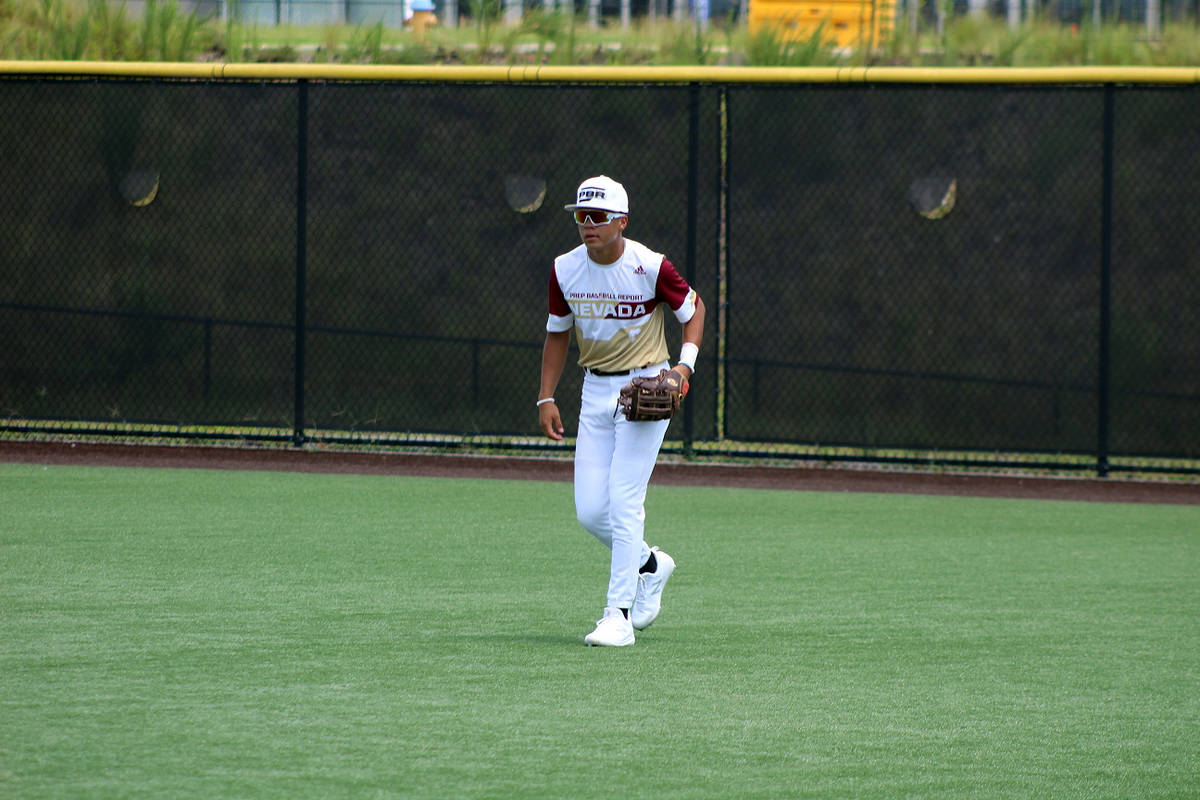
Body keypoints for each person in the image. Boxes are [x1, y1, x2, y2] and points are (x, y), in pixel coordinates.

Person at [537, 175, 706, 647]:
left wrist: (682, 370)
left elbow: (694, 311)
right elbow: (557, 333)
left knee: (625, 498)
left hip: (645, 389)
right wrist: (546, 396)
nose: (587, 224)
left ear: (621, 222)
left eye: (598, 216)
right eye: (580, 216)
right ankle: (651, 564)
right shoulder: (564, 269)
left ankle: (618, 615)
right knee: (592, 511)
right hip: (594, 391)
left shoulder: (650, 266)